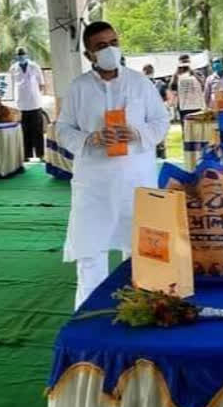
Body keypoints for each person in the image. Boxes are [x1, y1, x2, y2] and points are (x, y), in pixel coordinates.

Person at [57, 21, 170, 309]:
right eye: (101, 46)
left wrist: (138, 133)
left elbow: (161, 121)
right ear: (89, 55)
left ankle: (139, 308)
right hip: (94, 184)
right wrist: (90, 138)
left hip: (137, 181)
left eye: (113, 42)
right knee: (90, 253)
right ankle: (90, 316)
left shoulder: (140, 83)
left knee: (139, 251)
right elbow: (62, 130)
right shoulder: (78, 88)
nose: (110, 49)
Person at [10, 47, 46, 161]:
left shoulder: (35, 66)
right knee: (24, 131)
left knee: (37, 131)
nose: (21, 56)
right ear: (16, 56)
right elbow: (11, 85)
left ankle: (41, 154)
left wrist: (35, 94)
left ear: (27, 55)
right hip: (21, 105)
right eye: (19, 55)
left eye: (23, 54)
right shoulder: (13, 68)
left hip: (35, 104)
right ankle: (26, 155)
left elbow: (41, 84)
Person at [143, 63, 168, 159]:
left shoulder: (158, 84)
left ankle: (160, 155)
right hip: (149, 117)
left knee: (156, 140)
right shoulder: (143, 84)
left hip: (153, 117)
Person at [169, 54, 205, 122]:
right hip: (183, 106)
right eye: (183, 62)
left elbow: (202, 84)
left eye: (186, 62)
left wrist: (192, 71)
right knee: (185, 126)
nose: (185, 64)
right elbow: (172, 87)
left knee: (196, 126)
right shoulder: (177, 75)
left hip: (196, 105)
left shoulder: (197, 72)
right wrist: (176, 73)